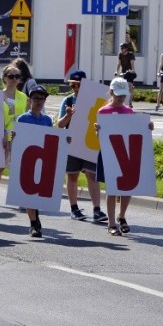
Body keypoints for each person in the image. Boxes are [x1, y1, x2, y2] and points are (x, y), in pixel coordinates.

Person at [96, 77, 153, 236]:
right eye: (118, 95)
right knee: (112, 189)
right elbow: (100, 136)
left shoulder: (129, 111)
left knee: (127, 187)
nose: (121, 98)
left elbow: (136, 132)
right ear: (111, 92)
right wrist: (98, 130)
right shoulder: (103, 111)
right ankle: (111, 223)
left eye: (123, 95)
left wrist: (147, 127)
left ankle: (122, 216)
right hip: (110, 152)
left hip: (126, 153)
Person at [56, 70, 107, 223]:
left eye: (78, 85)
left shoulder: (96, 100)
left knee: (92, 175)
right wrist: (68, 115)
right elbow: (59, 125)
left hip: (89, 144)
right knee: (72, 176)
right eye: (73, 85)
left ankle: (97, 210)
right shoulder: (68, 101)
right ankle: (74, 208)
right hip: (72, 144)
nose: (75, 88)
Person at [14, 85, 56, 237]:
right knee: (30, 192)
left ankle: (35, 216)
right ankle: (33, 224)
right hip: (28, 158)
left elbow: (51, 140)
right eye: (36, 98)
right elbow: (17, 139)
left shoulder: (47, 120)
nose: (39, 101)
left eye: (42, 98)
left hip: (42, 159)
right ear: (30, 100)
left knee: (38, 193)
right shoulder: (23, 118)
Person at [0, 63, 29, 207]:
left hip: (20, 135)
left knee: (20, 168)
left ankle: (21, 198)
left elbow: (27, 115)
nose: (14, 79)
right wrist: (3, 134)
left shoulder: (23, 97)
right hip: (3, 135)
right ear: (4, 78)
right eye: (10, 76)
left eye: (17, 76)